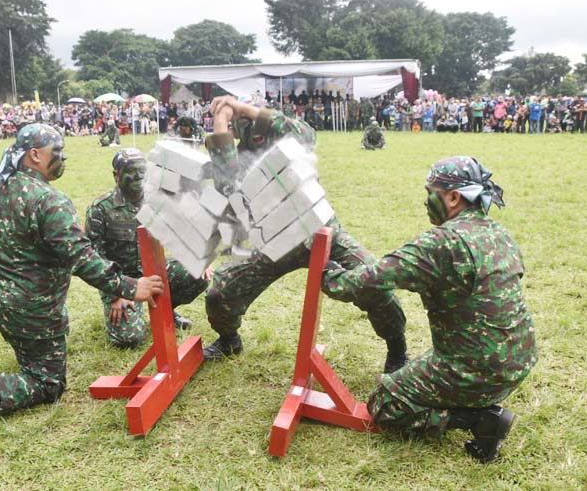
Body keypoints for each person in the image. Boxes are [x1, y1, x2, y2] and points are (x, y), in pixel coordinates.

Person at [0, 124, 164, 432]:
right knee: (48, 382)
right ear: (35, 155)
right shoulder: (49, 201)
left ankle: (29, 353)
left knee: (35, 354)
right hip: (30, 308)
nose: (63, 158)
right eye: (58, 152)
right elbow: (82, 258)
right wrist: (131, 287)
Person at [323, 156, 537, 463]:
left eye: (430, 193)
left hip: (477, 369)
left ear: (453, 197)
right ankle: (476, 403)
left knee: (384, 402)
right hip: (518, 360)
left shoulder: (442, 243)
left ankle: (477, 420)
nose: (427, 201)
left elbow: (369, 282)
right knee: (420, 366)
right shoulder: (498, 233)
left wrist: (328, 273)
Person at [200, 96, 409, 372]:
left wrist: (242, 108)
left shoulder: (291, 141)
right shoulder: (242, 160)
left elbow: (304, 133)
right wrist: (220, 120)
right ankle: (229, 340)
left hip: (322, 233)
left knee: (374, 284)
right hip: (277, 243)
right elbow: (226, 183)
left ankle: (398, 350)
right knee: (220, 293)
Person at [85, 149, 209, 347]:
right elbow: (94, 259)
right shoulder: (100, 209)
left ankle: (166, 310)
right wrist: (116, 294)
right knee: (128, 339)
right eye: (131, 171)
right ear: (116, 175)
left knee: (198, 274)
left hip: (154, 271)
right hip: (122, 279)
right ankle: (129, 311)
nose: (139, 176)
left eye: (143, 171)